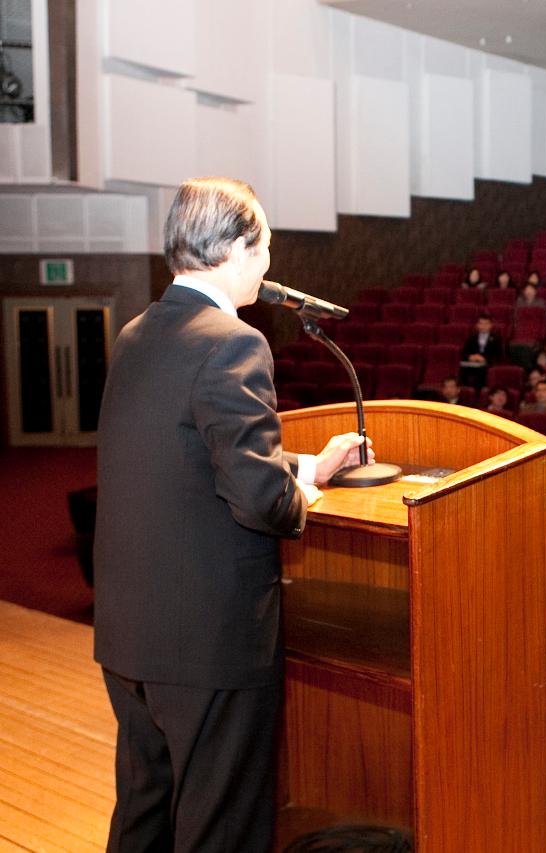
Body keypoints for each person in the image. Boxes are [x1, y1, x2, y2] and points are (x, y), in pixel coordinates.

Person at [93, 177, 371, 852]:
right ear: (237, 249)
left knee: (143, 821)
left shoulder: (137, 332)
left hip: (133, 636)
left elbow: (187, 465)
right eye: (267, 244)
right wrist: (301, 492)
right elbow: (259, 500)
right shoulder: (233, 342)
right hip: (207, 646)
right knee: (220, 830)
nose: (270, 261)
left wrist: (310, 465)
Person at [459, 312, 502, 390]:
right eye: (481, 323)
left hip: (488, 364)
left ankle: (478, 393)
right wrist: (470, 357)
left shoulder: (496, 338)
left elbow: (499, 355)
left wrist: (484, 358)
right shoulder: (472, 337)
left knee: (481, 371)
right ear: (477, 325)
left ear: (490, 325)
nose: (483, 326)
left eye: (486, 324)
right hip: (473, 364)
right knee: (462, 369)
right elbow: (464, 353)